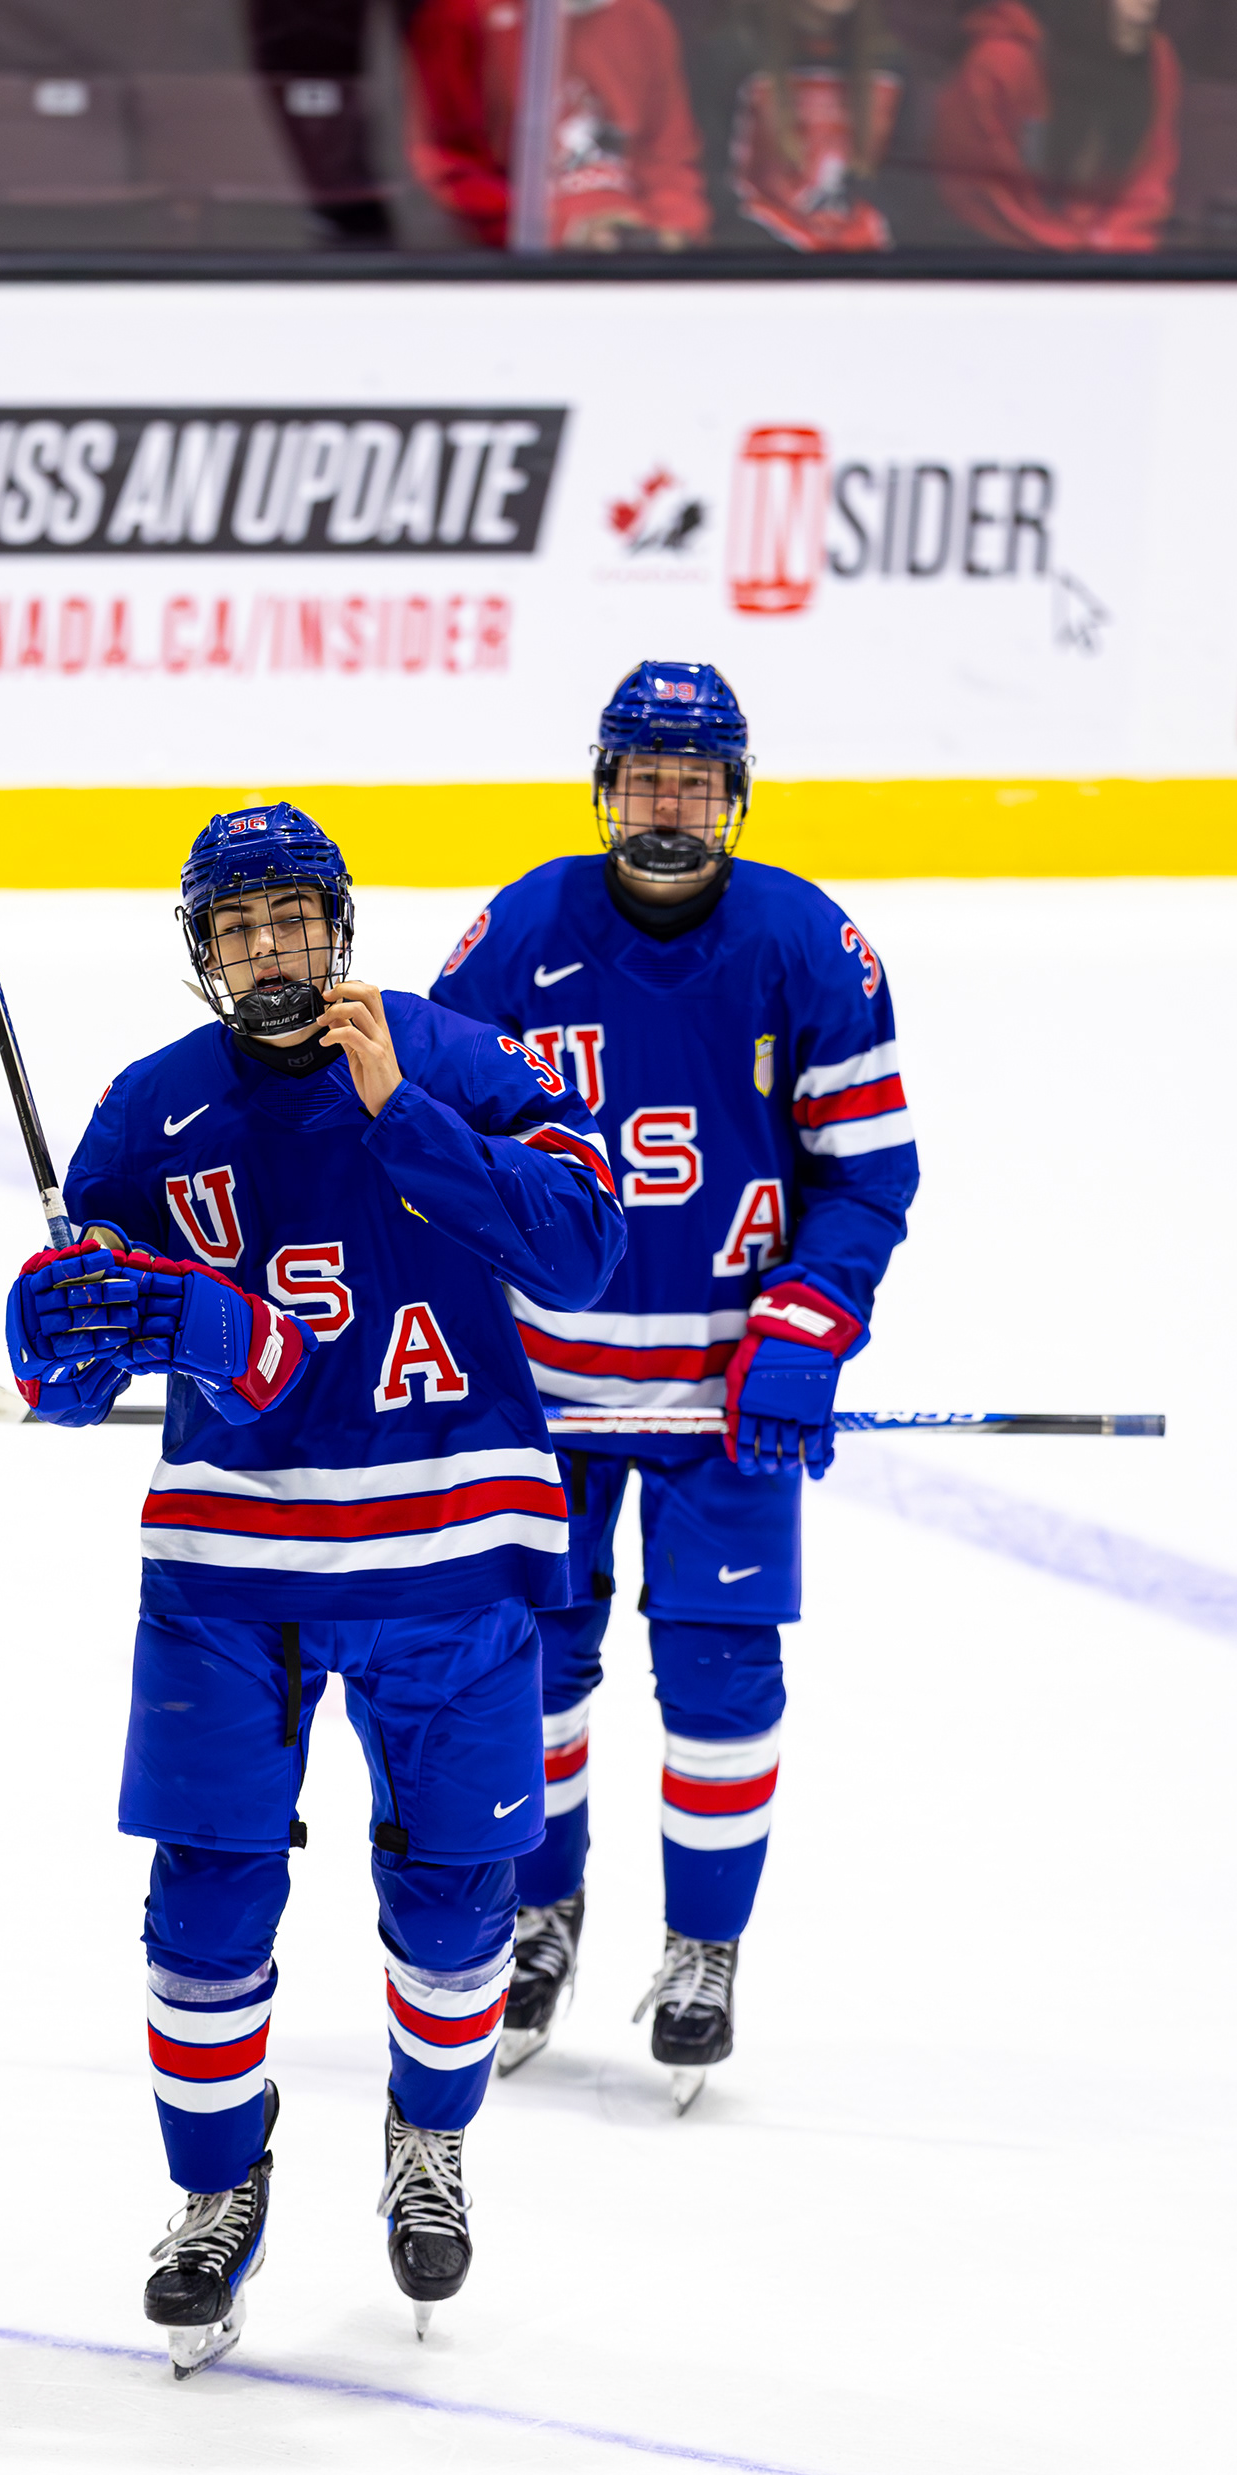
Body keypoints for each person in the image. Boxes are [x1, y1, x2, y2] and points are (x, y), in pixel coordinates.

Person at [4, 803, 625, 2376]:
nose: (269, 950)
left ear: (339, 926)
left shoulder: (461, 1057)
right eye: (238, 927)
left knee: (457, 1902)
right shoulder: (150, 1109)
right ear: (202, 950)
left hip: (455, 1553)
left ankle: (430, 2139)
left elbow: (583, 1251)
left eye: (292, 919)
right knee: (205, 1908)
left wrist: (403, 1111)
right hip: (232, 1569)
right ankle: (217, 2191)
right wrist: (59, 1335)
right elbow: (82, 1357)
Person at [427, 663, 918, 2108]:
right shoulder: (518, 933)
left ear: (735, 798)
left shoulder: (809, 945)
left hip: (725, 1402)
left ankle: (705, 1946)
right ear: (604, 788)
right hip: (544, 1391)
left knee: (721, 1672)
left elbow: (867, 1176)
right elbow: (428, 1153)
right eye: (646, 778)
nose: (668, 806)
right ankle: (540, 1915)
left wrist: (810, 1324)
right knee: (531, 1667)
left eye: (695, 784)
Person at [404, 0, 711, 248]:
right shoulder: (459, 17)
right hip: (522, 267)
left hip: (635, 256)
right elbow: (446, 167)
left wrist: (671, 229)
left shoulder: (641, 17)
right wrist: (562, 230)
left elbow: (668, 156)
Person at [934, 0, 1181, 252]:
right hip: (1015, 262)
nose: (1145, 6)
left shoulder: (1156, 61)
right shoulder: (999, 65)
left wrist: (1111, 251)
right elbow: (986, 202)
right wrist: (1076, 258)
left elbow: (1148, 183)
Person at [695, 0, 905, 249]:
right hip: (760, 253)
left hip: (869, 255)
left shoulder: (891, 64)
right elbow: (710, 179)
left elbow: (908, 191)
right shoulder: (731, 57)